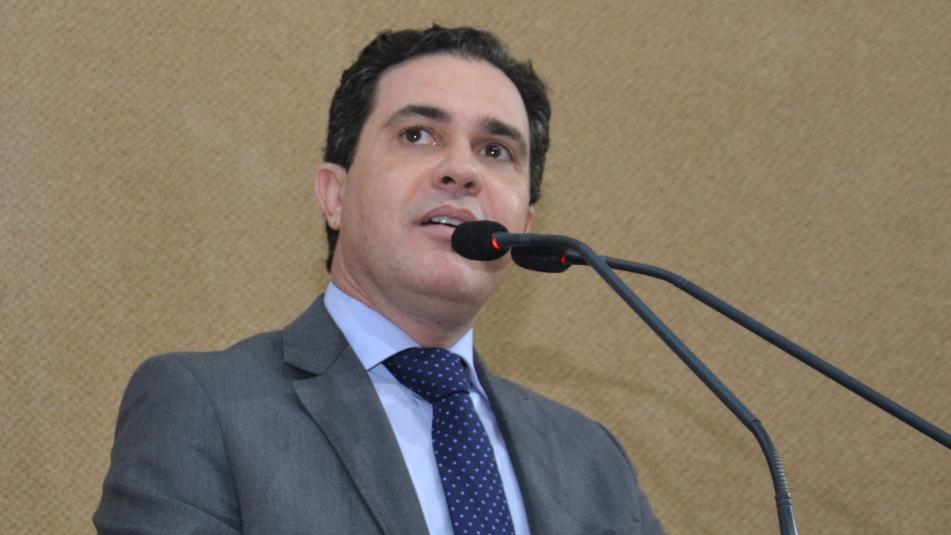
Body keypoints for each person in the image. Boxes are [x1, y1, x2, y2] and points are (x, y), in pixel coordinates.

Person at [94, 25, 665, 535]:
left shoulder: (594, 462)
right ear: (335, 195)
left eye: (495, 150)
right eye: (418, 135)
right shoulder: (204, 407)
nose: (462, 170)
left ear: (525, 226)